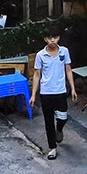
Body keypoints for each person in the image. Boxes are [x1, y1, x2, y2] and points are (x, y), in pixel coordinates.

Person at [29, 30, 76, 159]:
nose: (52, 40)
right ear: (45, 39)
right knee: (48, 121)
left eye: (55, 37)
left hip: (60, 90)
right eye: (49, 38)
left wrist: (72, 88)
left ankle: (59, 129)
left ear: (59, 37)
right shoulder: (40, 55)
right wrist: (33, 94)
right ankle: (52, 148)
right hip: (46, 92)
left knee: (63, 116)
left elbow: (68, 70)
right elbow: (37, 74)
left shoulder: (64, 52)